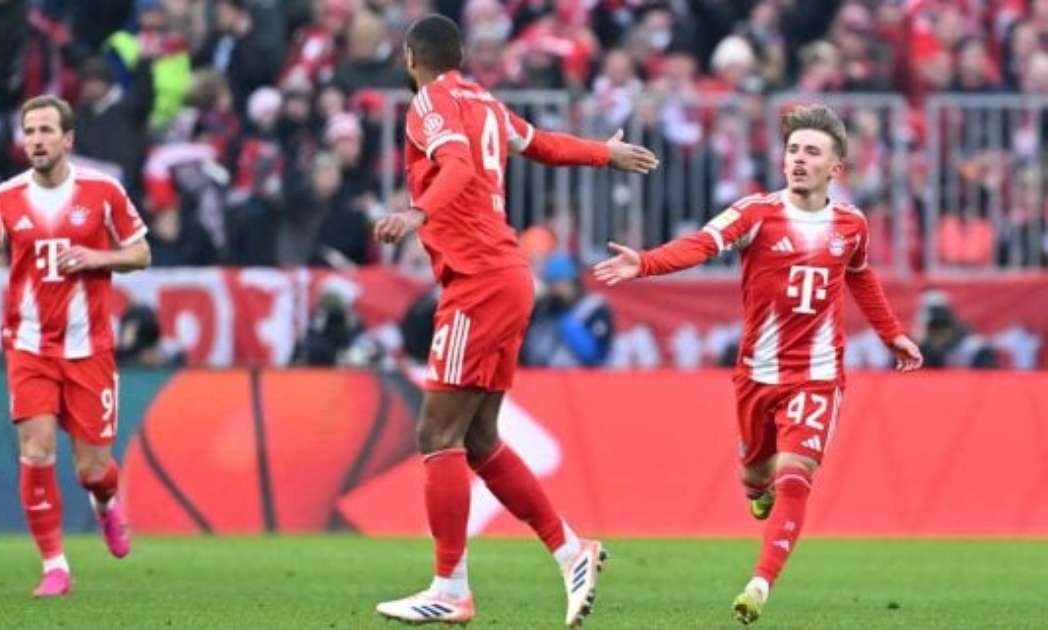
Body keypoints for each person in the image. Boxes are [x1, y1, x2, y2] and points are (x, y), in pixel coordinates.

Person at [372, 14, 658, 627]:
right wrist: (604, 153)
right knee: (478, 439)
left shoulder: (428, 104)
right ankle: (571, 551)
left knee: (437, 435)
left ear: (410, 58)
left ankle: (450, 588)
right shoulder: (485, 103)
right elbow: (543, 144)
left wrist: (417, 214)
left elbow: (456, 166)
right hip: (507, 276)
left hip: (477, 280)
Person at [594, 104, 923, 625]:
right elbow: (701, 245)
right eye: (793, 150)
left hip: (817, 375)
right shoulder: (755, 214)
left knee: (796, 475)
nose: (799, 159)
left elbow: (860, 275)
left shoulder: (851, 224)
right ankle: (755, 487)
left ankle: (759, 584)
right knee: (756, 476)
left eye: (811, 152)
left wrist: (892, 334)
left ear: (835, 168)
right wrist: (647, 262)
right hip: (757, 374)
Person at [0, 95, 151, 597]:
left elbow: (141, 253)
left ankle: (105, 503)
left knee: (92, 470)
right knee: (36, 449)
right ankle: (55, 566)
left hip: (89, 347)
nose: (37, 140)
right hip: (29, 345)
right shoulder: (4, 199)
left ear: (68, 139)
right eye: (29, 131)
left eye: (46, 130)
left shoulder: (103, 191)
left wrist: (96, 257)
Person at [521, 253, 615, 367]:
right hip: (538, 375)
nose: (556, 289)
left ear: (574, 283)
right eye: (552, 284)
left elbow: (593, 355)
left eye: (562, 283)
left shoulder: (593, 308)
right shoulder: (543, 309)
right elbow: (528, 351)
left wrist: (564, 316)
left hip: (579, 375)